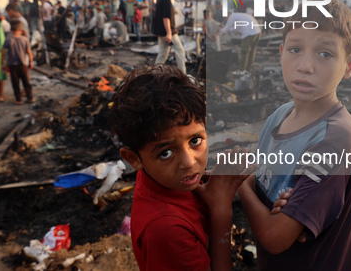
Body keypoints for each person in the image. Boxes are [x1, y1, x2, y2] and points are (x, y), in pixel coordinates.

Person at [237, 0, 351, 270]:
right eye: (295, 49)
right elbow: (263, 181)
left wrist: (241, 185)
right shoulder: (279, 115)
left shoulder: (334, 139)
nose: (305, 66)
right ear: (281, 52)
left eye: (325, 54)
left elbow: (274, 237)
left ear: (350, 66)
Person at [108, 64, 252, 271]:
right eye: (166, 153)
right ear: (133, 158)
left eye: (195, 140)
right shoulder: (167, 230)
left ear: (204, 125)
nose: (189, 162)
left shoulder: (158, 177)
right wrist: (221, 211)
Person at [152, 0, 186, 73]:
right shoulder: (167, 0)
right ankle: (183, 75)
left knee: (162, 55)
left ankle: (154, 74)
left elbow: (163, 17)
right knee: (180, 51)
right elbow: (165, 17)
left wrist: (172, 29)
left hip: (161, 32)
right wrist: (169, 33)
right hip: (167, 33)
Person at [220, 7, 261, 72]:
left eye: (225, 17)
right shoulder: (238, 16)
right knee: (252, 51)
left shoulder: (232, 17)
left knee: (244, 52)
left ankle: (242, 70)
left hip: (249, 33)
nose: (226, 19)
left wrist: (219, 29)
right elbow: (235, 30)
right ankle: (248, 69)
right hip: (257, 32)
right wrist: (227, 29)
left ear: (228, 14)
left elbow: (225, 30)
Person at [3, 21, 34, 105]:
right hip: (23, 64)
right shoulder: (25, 39)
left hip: (12, 65)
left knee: (15, 83)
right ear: (21, 30)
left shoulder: (8, 40)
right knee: (26, 82)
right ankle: (30, 97)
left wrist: (3, 63)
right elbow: (29, 52)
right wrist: (31, 62)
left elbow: (3, 52)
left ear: (11, 30)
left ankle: (18, 99)